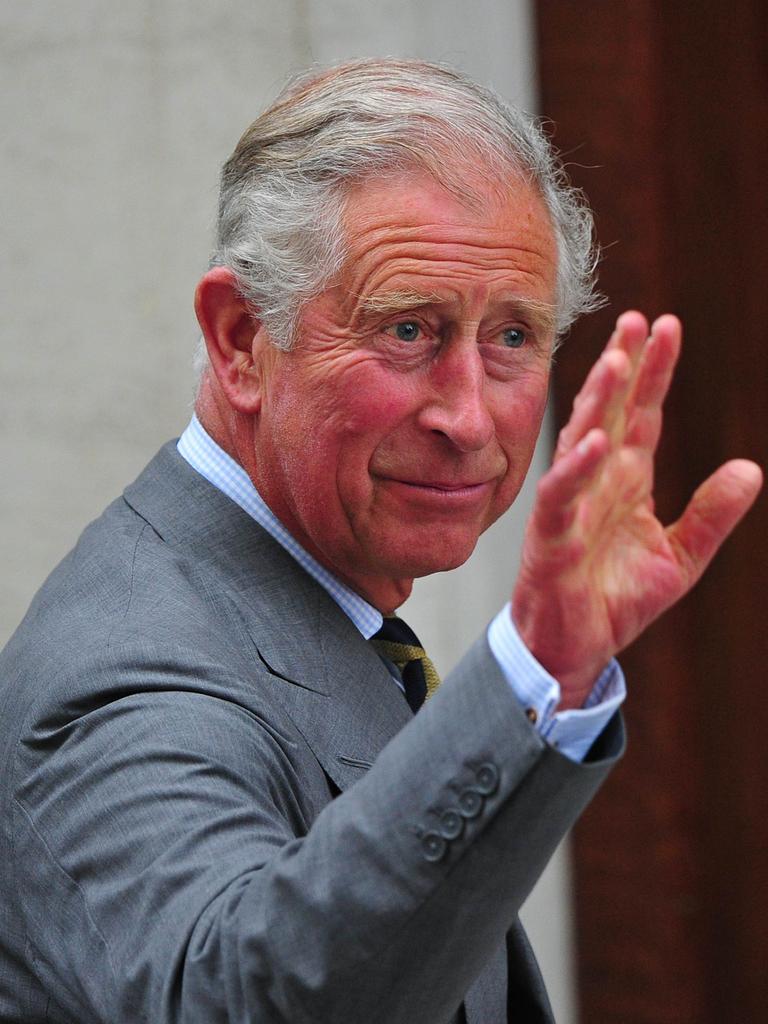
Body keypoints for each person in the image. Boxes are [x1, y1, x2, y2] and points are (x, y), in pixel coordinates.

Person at [0, 59, 761, 1024]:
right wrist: (534, 666)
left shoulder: (311, 604)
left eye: (514, 337)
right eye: (409, 330)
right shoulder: (126, 676)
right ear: (241, 340)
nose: (471, 417)